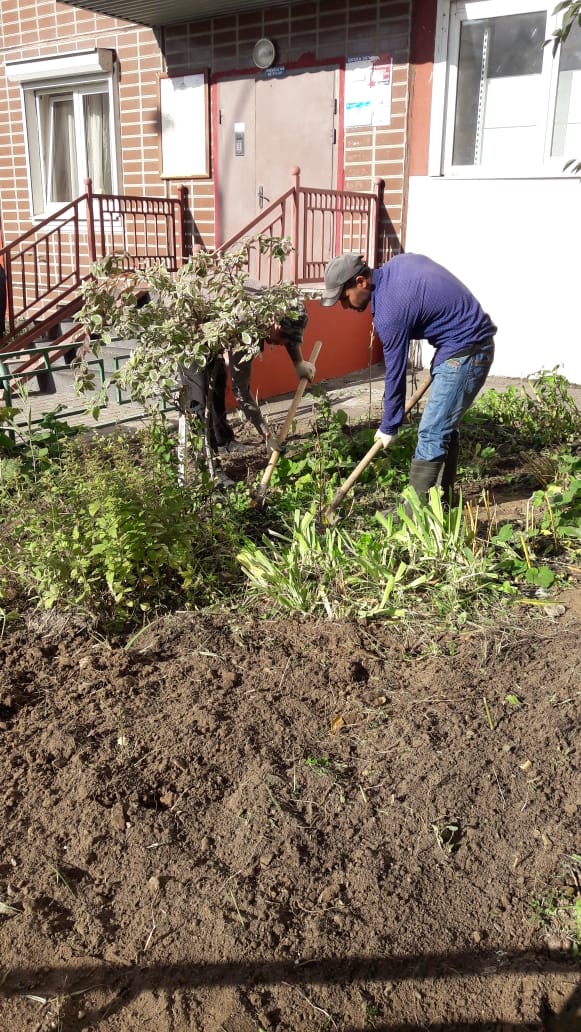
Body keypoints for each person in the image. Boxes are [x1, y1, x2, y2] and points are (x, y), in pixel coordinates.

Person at [321, 252, 496, 504]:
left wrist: (389, 425)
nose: (345, 305)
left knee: (432, 432)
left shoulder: (389, 310)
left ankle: (417, 513)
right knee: (444, 427)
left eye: (343, 297)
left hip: (468, 349)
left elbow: (396, 371)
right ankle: (442, 501)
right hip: (459, 345)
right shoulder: (397, 265)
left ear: (361, 282)